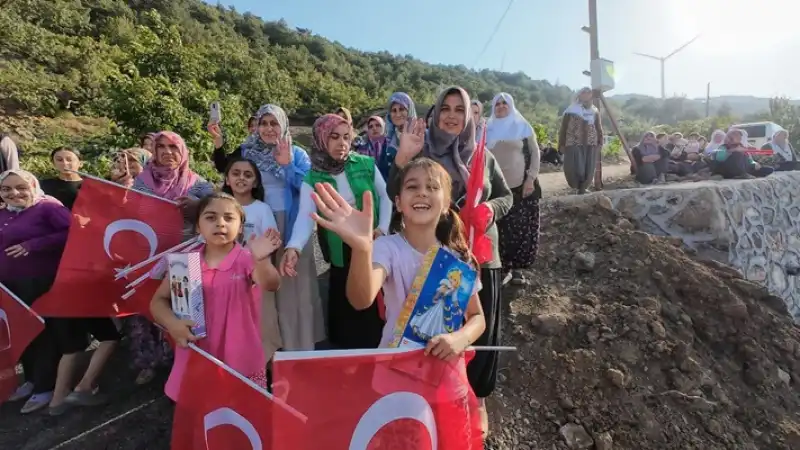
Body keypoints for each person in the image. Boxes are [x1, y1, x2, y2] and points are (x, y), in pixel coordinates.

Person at [308, 159, 486, 439]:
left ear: (446, 202)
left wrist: (459, 339)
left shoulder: (458, 259)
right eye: (412, 187)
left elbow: (477, 318)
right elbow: (360, 299)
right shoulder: (386, 248)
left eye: (432, 187)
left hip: (444, 374)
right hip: (395, 375)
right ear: (399, 202)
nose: (422, 193)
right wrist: (362, 249)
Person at [390, 86, 512, 438]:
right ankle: (432, 397)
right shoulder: (421, 152)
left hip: (480, 254)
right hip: (435, 259)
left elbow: (506, 197)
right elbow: (393, 195)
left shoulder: (483, 155)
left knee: (481, 327)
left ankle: (479, 399)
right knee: (432, 330)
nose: (453, 115)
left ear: (469, 115)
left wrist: (489, 209)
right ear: (435, 113)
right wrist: (402, 161)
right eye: (446, 108)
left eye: (460, 108)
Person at [210, 104, 324, 351]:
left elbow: (307, 187)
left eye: (274, 123)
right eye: (264, 123)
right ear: (257, 125)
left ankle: (297, 345)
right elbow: (225, 168)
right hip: (252, 220)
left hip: (289, 221)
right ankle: (264, 347)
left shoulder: (297, 153)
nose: (269, 129)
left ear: (283, 125)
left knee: (292, 285)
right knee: (255, 283)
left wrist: (286, 165)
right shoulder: (247, 149)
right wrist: (218, 144)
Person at [151, 192, 282, 400]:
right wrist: (172, 323)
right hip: (196, 354)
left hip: (240, 359)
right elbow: (158, 301)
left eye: (229, 218)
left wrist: (263, 260)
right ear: (198, 227)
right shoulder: (183, 263)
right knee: (199, 416)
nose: (220, 223)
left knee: (240, 419)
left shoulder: (247, 259)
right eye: (210, 217)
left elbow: (272, 284)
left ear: (240, 227)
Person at [286, 114, 392, 349]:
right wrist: (293, 246)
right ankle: (346, 359)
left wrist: (382, 229)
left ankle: (378, 352)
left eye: (346, 137)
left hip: (371, 241)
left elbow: (385, 198)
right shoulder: (312, 177)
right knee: (345, 303)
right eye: (334, 137)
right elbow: (306, 218)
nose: (342, 143)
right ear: (322, 139)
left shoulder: (366, 164)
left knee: (375, 298)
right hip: (338, 246)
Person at [130, 131, 214, 385]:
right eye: (161, 147)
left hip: (184, 260)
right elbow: (131, 217)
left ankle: (186, 367)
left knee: (184, 312)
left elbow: (215, 214)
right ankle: (150, 363)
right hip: (147, 257)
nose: (168, 152)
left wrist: (197, 207)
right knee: (147, 312)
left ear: (183, 152)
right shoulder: (141, 184)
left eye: (174, 147)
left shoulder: (199, 185)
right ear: (153, 152)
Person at [0, 170, 70, 414]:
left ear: (33, 186)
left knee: (41, 332)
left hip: (39, 282)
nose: (14, 193)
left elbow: (72, 232)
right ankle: (30, 380)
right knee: (20, 332)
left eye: (20, 187)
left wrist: (33, 245)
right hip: (9, 285)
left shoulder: (47, 208)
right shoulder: (4, 214)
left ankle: (45, 386)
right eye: (6, 189)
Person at [220, 157, 282, 362]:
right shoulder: (217, 207)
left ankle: (265, 371)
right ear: (227, 179)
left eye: (248, 175)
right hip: (224, 278)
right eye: (236, 173)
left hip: (256, 279)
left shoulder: (262, 209)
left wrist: (252, 253)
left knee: (262, 324)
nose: (241, 178)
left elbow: (272, 241)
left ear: (255, 182)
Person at [486, 92, 541, 285]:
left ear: (511, 105)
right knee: (499, 229)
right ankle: (501, 268)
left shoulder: (522, 126)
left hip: (519, 187)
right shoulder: (487, 128)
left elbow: (535, 153)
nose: (501, 106)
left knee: (520, 229)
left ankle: (517, 270)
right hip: (494, 189)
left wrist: (531, 179)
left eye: (504, 103)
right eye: (497, 103)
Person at [558, 87, 603, 194]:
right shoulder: (571, 110)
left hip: (590, 142)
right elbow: (563, 128)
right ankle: (576, 187)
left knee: (589, 166)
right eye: (584, 92)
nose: (586, 95)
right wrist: (561, 143)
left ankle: (583, 188)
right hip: (573, 142)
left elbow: (598, 126)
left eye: (588, 93)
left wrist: (600, 140)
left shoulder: (594, 111)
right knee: (575, 166)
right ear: (579, 95)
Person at [380, 92, 417, 180]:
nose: (398, 114)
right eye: (394, 110)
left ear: (410, 110)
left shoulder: (420, 136)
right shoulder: (388, 141)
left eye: (402, 109)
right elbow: (383, 170)